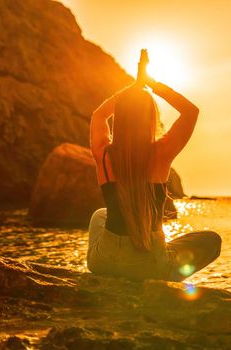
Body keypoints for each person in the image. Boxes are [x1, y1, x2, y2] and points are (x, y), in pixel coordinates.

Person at [87, 49, 221, 282]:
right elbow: (191, 112)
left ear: (120, 116)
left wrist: (133, 88)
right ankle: (160, 268)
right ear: (150, 117)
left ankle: (120, 262)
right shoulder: (160, 154)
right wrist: (151, 84)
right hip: (149, 266)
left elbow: (99, 116)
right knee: (212, 241)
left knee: (100, 214)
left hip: (103, 262)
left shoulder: (104, 154)